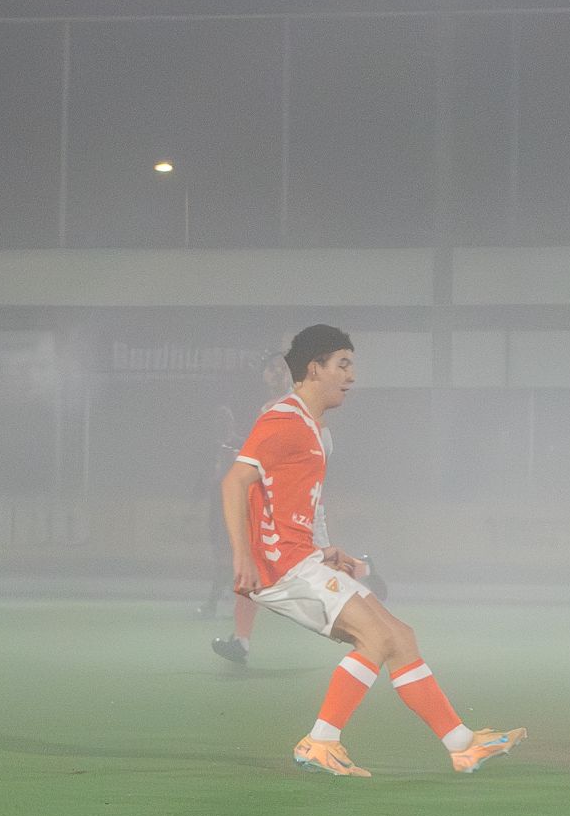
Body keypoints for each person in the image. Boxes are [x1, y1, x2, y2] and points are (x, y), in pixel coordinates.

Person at [220, 324, 525, 776]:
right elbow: (234, 481)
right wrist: (242, 557)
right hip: (280, 567)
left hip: (301, 558)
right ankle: (320, 742)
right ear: (314, 368)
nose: (352, 376)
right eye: (342, 365)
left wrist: (324, 549)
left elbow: (300, 500)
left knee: (400, 636)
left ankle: (461, 744)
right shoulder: (282, 418)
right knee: (376, 638)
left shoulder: (314, 429)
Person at [208, 350, 293, 662]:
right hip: (269, 500)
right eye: (270, 368)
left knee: (308, 574)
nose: (275, 373)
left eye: (281, 368)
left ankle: (362, 574)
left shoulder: (296, 405)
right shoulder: (270, 407)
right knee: (249, 567)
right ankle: (241, 641)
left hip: (291, 502)